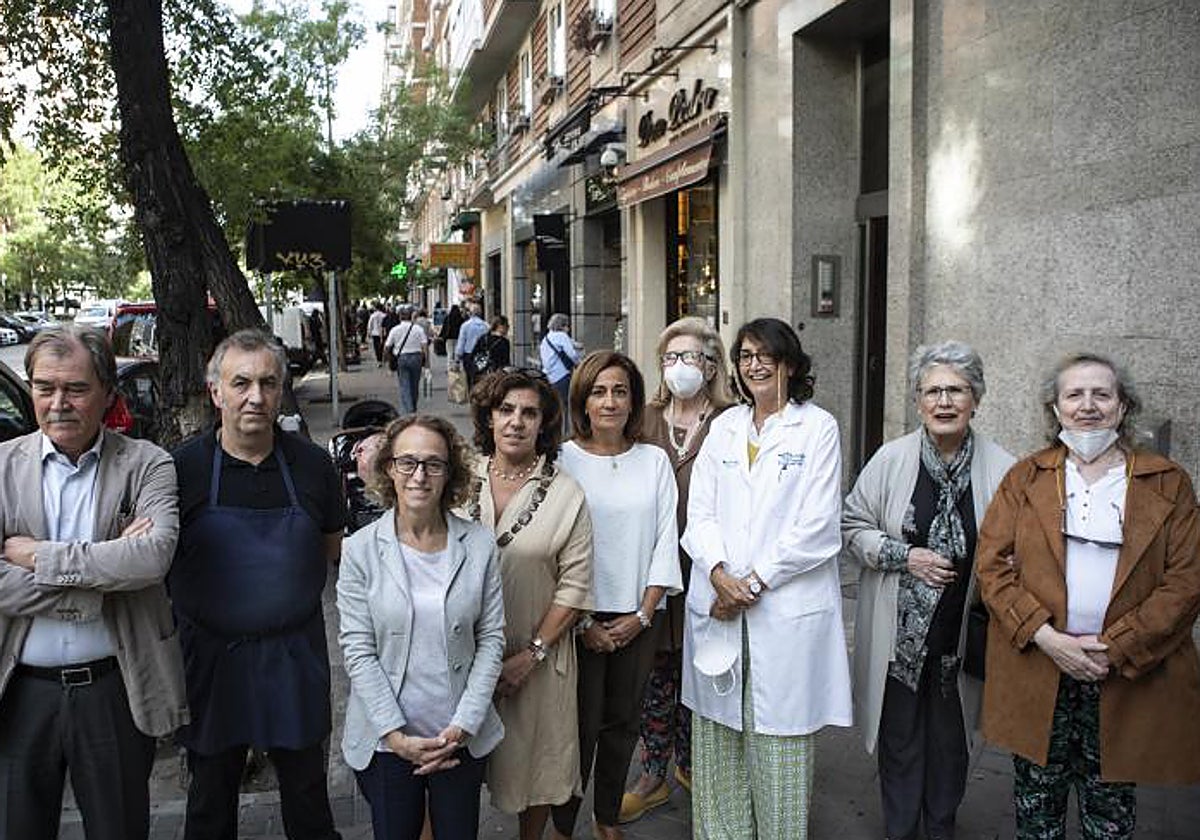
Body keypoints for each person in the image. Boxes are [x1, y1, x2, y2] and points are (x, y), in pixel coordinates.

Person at [976, 353, 1200, 839]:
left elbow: (1185, 583)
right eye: (1074, 395)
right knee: (1037, 812)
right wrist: (1047, 637)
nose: (1088, 406)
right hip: (1039, 667)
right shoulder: (1025, 477)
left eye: (1102, 394)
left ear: (1123, 406)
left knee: (1111, 814)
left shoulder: (1168, 482)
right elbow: (991, 567)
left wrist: (1112, 649)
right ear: (1055, 409)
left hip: (1121, 672)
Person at [0, 325, 187, 840]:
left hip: (114, 691)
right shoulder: (0, 466)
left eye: (76, 389)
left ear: (107, 394)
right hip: (20, 694)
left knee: (119, 829)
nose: (58, 403)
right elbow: (125, 566)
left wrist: (33, 556)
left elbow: (151, 559)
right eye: (44, 387)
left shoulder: (148, 464)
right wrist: (104, 571)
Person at [170, 329, 345, 840]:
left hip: (295, 656)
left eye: (268, 383)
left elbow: (332, 547)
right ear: (215, 392)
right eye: (241, 382)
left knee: (308, 797)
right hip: (209, 658)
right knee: (209, 801)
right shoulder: (183, 469)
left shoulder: (311, 466)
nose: (256, 396)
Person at [681, 317, 851, 840]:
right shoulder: (725, 427)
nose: (755, 365)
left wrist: (749, 584)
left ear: (791, 364)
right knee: (718, 744)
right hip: (720, 602)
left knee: (778, 750)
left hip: (780, 608)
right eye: (746, 355)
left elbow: (818, 527)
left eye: (766, 355)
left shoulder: (817, 427)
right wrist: (716, 573)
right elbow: (700, 514)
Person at [842, 341, 1015, 840]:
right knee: (900, 740)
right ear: (918, 400)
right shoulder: (891, 460)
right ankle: (900, 830)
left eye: (956, 390)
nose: (944, 401)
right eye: (933, 390)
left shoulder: (1004, 469)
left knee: (951, 742)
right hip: (898, 637)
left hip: (960, 638)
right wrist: (905, 556)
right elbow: (853, 524)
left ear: (975, 399)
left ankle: (940, 826)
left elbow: (1019, 548)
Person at [338, 414, 505, 840]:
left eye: (433, 463)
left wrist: (464, 724)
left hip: (458, 737)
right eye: (407, 462)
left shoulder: (479, 544)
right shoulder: (359, 550)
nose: (419, 475)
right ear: (388, 468)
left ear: (450, 473)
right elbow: (358, 650)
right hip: (386, 740)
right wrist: (396, 737)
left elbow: (490, 639)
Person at [551, 351, 682, 840]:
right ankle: (563, 824)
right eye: (599, 391)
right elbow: (555, 546)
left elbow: (666, 538)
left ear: (634, 401)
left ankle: (605, 816)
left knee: (623, 723)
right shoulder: (562, 461)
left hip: (638, 614)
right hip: (575, 617)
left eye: (620, 391)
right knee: (577, 729)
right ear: (582, 400)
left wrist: (644, 614)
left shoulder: (653, 461)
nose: (610, 401)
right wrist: (582, 624)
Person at [464, 369, 593, 840]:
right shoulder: (457, 478)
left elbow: (575, 587)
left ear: (544, 424)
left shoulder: (566, 493)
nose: (516, 421)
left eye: (529, 412)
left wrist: (530, 655)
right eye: (505, 410)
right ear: (488, 417)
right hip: (459, 656)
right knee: (450, 769)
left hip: (536, 659)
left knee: (537, 769)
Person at [620, 317, 735, 822]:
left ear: (711, 366)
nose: (679, 368)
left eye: (690, 358)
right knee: (655, 674)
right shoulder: (643, 419)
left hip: (712, 568)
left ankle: (694, 764)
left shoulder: (733, 421)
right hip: (653, 569)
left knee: (704, 670)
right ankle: (653, 773)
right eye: (670, 358)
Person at [384, 308, 429, 415]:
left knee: (404, 385)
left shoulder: (395, 330)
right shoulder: (418, 329)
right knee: (414, 385)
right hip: (416, 358)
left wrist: (386, 361)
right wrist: (427, 363)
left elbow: (387, 346)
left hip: (401, 358)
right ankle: (413, 406)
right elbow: (424, 346)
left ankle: (409, 410)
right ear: (411, 317)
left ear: (400, 317)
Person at [539, 313, 579, 435]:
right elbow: (572, 354)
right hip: (561, 375)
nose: (569, 328)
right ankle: (564, 433)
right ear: (563, 325)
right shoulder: (562, 336)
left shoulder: (546, 338)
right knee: (564, 407)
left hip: (549, 376)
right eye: (567, 325)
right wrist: (579, 362)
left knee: (553, 406)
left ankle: (552, 433)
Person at [455, 303, 489, 391]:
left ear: (470, 313)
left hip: (468, 354)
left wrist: (457, 358)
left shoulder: (465, 326)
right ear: (481, 313)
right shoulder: (486, 326)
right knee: (481, 375)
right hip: (482, 355)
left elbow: (461, 342)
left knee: (469, 376)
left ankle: (472, 393)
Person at [468, 316, 512, 381]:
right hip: (497, 375)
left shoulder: (483, 338)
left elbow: (473, 355)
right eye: (507, 326)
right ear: (500, 326)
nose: (508, 328)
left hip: (481, 373)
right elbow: (505, 362)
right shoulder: (504, 342)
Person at [441, 304, 464, 371]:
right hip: (458, 338)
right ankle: (457, 366)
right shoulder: (461, 319)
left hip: (449, 338)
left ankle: (450, 367)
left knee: (450, 353)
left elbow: (444, 328)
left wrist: (442, 336)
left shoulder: (447, 318)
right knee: (457, 353)